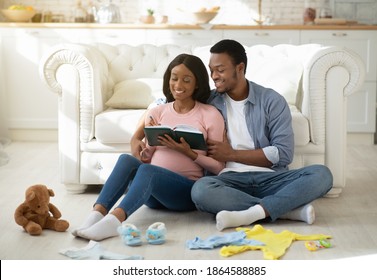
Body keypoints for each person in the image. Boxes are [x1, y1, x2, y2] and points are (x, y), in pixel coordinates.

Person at [131, 39, 333, 232]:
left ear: (240, 68)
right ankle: (285, 210)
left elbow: (283, 154)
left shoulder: (272, 101)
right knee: (200, 191)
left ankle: (251, 212)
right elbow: (162, 102)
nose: (214, 76)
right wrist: (136, 136)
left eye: (220, 70)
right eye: (211, 71)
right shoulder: (209, 100)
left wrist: (232, 154)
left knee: (322, 174)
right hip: (227, 181)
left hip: (272, 179)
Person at [72, 53, 225, 241]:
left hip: (184, 194)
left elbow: (219, 167)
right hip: (152, 193)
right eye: (174, 78)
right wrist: (145, 152)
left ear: (197, 84)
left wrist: (188, 153)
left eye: (186, 80)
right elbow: (149, 154)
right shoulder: (157, 112)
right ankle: (96, 215)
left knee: (147, 171)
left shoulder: (209, 114)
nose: (178, 85)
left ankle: (114, 222)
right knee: (126, 160)